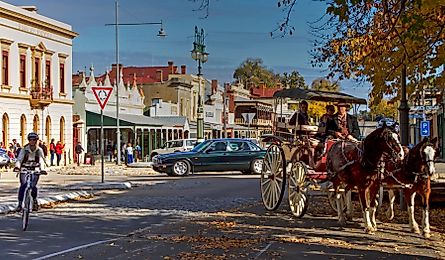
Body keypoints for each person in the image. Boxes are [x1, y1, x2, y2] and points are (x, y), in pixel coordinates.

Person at [13, 132, 46, 212]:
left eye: (34, 140)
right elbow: (19, 159)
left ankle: (34, 201)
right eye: (30, 140)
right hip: (24, 168)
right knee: (23, 185)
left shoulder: (39, 150)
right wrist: (17, 167)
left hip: (35, 169)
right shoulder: (24, 149)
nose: (32, 141)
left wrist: (42, 169)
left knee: (33, 185)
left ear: (36, 141)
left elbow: (42, 160)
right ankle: (20, 204)